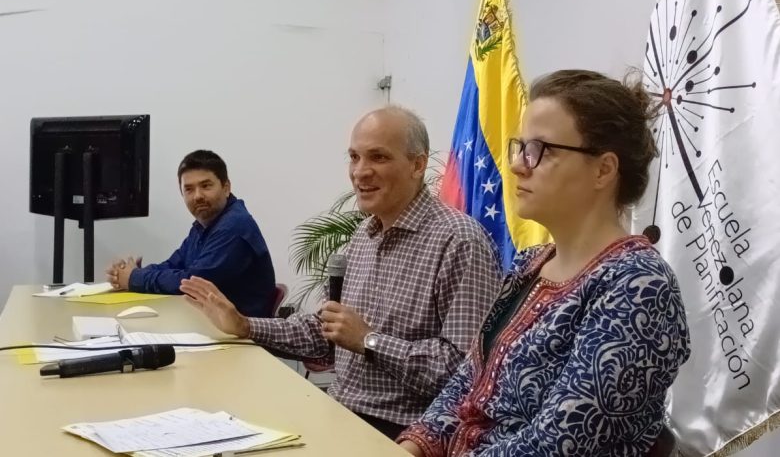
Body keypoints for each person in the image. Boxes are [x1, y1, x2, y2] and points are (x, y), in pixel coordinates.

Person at [397, 70, 691, 456]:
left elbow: (556, 444)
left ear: (603, 169)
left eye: (542, 150)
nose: (519, 165)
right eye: (520, 147)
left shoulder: (639, 286)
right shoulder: (531, 264)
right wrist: (411, 448)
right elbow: (467, 383)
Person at [180, 106, 502, 439]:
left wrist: (370, 341)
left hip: (406, 432)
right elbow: (325, 332)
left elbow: (466, 373)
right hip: (339, 410)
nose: (360, 172)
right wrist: (244, 325)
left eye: (378, 157)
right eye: (354, 157)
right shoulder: (364, 235)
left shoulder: (459, 241)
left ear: (417, 165)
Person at [106, 150, 277, 318]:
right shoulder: (205, 224)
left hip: (240, 332)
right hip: (209, 321)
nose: (197, 196)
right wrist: (132, 274)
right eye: (189, 189)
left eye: (206, 186)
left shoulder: (234, 226)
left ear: (226, 187)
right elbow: (174, 264)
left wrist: (134, 278)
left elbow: (193, 283)